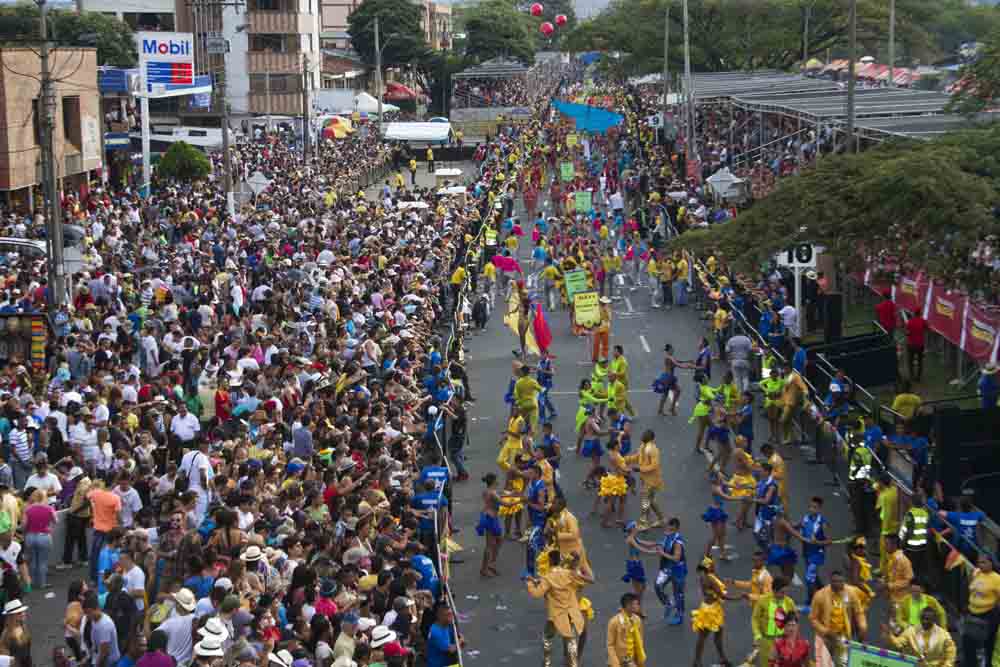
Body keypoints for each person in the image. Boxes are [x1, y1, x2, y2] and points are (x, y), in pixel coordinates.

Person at [525, 550, 594, 667]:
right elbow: (584, 582)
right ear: (559, 560)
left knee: (547, 638)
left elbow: (537, 593)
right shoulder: (569, 574)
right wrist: (576, 569)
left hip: (555, 615)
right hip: (570, 613)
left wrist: (530, 584)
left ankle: (547, 663)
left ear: (550, 561)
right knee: (571, 640)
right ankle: (574, 664)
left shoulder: (547, 578)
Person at [808, 571, 868, 667]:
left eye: (840, 581)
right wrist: (826, 632)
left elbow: (859, 613)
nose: (838, 584)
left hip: (842, 635)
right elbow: (813, 618)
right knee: (824, 663)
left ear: (844, 581)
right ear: (830, 581)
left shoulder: (851, 592)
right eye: (835, 581)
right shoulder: (820, 595)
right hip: (825, 636)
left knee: (843, 663)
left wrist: (862, 627)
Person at [691, 557, 735, 667]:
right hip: (710, 611)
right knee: (704, 636)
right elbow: (722, 596)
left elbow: (710, 593)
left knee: (717, 635)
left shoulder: (704, 577)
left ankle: (722, 658)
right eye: (712, 564)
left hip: (711, 608)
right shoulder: (710, 579)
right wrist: (739, 598)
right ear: (708, 567)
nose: (714, 566)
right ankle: (697, 661)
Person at [884, 606, 956, 667]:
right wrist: (890, 635)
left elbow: (951, 654)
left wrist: (946, 665)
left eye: (927, 619)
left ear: (934, 620)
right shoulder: (911, 631)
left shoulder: (944, 635)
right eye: (922, 618)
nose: (924, 621)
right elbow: (899, 644)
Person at [962, 554, 1000, 667]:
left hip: (987, 615)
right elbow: (971, 589)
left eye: (984, 562)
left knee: (987, 643)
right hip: (972, 613)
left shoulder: (997, 578)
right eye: (979, 562)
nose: (980, 565)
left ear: (991, 563)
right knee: (967, 642)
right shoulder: (977, 573)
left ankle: (987, 664)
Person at [750, 577, 796, 667]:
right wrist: (757, 635)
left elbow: (794, 622)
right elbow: (755, 619)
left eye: (785, 592)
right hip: (766, 641)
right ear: (774, 590)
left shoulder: (789, 602)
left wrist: (793, 639)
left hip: (783, 641)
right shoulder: (763, 601)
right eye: (782, 592)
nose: (784, 595)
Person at [625, 430, 664, 531]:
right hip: (645, 479)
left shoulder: (653, 450)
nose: (642, 437)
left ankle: (644, 524)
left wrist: (640, 469)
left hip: (651, 480)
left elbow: (654, 466)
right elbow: (637, 457)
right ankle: (661, 519)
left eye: (645, 436)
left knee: (645, 501)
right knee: (650, 501)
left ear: (650, 439)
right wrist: (626, 460)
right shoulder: (643, 446)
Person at [22, 488, 55, 590]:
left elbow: (24, 525)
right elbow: (55, 521)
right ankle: (42, 583)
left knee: (32, 561)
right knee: (42, 561)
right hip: (44, 536)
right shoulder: (49, 508)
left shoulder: (28, 509)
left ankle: (31, 583)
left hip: (30, 536)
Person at [82, 591, 121, 667]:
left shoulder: (105, 625)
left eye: (88, 612)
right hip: (98, 658)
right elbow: (96, 645)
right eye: (85, 613)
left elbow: (104, 653)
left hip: (110, 663)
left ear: (96, 608)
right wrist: (88, 658)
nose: (87, 616)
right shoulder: (94, 620)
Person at [606, 592, 646, 667]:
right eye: (636, 604)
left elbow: (640, 639)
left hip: (633, 659)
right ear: (628, 605)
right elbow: (610, 645)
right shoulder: (614, 622)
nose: (638, 606)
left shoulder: (637, 620)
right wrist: (615, 663)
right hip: (619, 660)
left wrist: (639, 659)